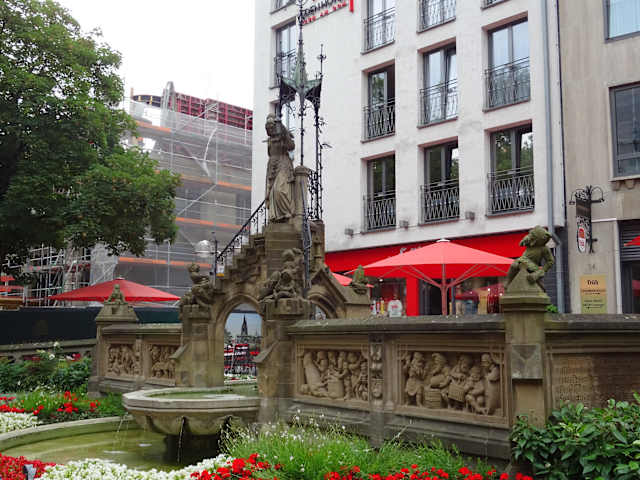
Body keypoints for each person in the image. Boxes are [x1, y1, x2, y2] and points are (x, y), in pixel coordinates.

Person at [265, 114, 295, 223]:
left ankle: (286, 212)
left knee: (279, 190)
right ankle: (276, 215)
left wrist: (284, 131)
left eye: (271, 127)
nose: (270, 129)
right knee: (272, 192)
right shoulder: (269, 140)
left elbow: (291, 147)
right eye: (268, 128)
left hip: (283, 163)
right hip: (272, 165)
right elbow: (270, 154)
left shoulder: (283, 137)